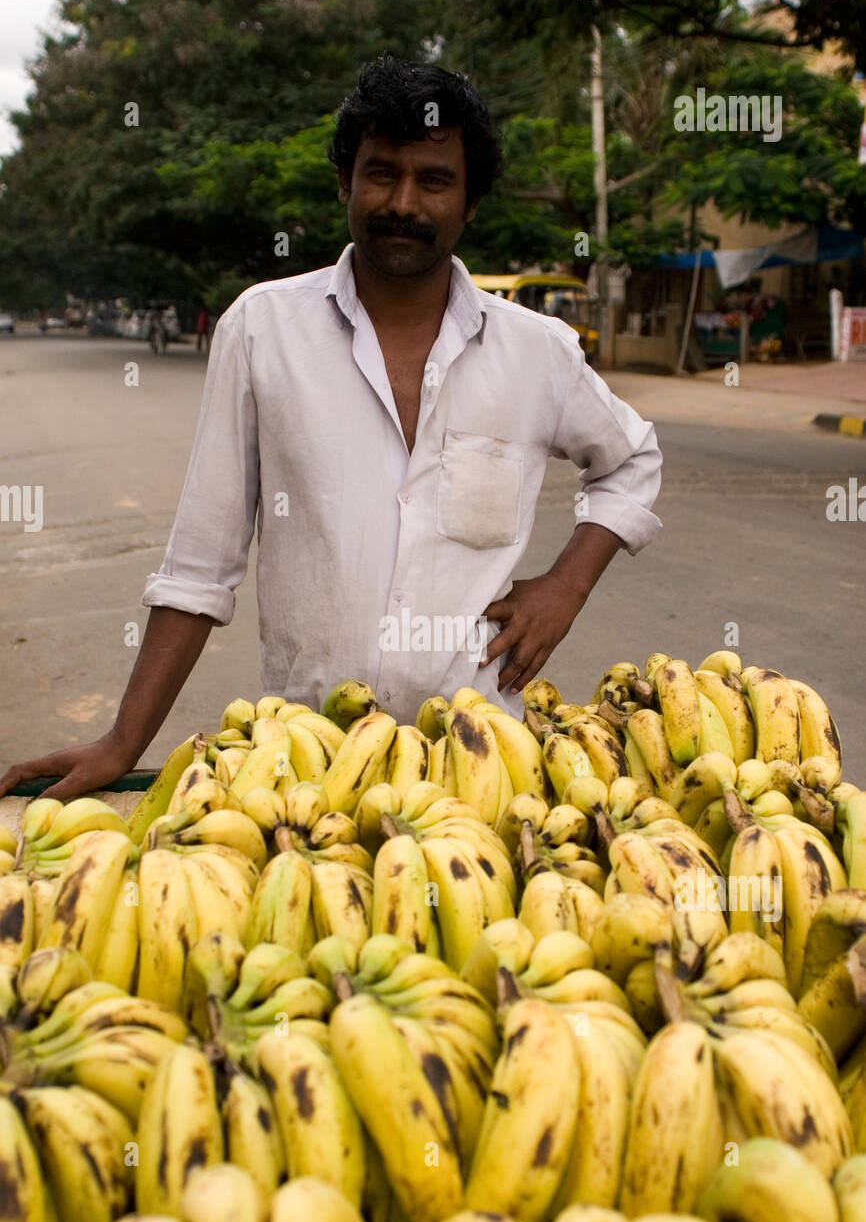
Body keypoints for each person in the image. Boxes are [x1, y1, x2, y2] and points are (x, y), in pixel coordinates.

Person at [0, 55, 662, 801]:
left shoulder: (537, 352)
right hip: (306, 772)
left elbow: (631, 460)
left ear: (471, 202)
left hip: (478, 772)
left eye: (434, 180)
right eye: (382, 173)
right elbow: (200, 566)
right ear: (345, 182)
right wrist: (124, 741)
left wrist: (565, 587)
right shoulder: (261, 330)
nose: (403, 202)